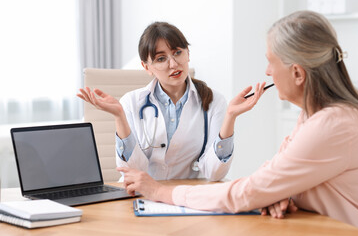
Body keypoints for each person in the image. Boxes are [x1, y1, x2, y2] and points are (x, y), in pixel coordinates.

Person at [117, 11, 358, 228]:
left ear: (297, 73)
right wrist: (280, 191)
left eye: (270, 61)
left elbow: (249, 189)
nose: (267, 72)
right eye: (161, 58)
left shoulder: (331, 124)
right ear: (147, 66)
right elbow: (275, 172)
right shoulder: (313, 116)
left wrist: (160, 191)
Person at [78, 22, 265, 181]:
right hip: (138, 196)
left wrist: (230, 117)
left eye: (177, 53)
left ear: (188, 54)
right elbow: (132, 171)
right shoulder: (131, 102)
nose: (173, 64)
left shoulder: (214, 101)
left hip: (185, 198)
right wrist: (119, 116)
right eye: (161, 58)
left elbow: (214, 173)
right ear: (146, 67)